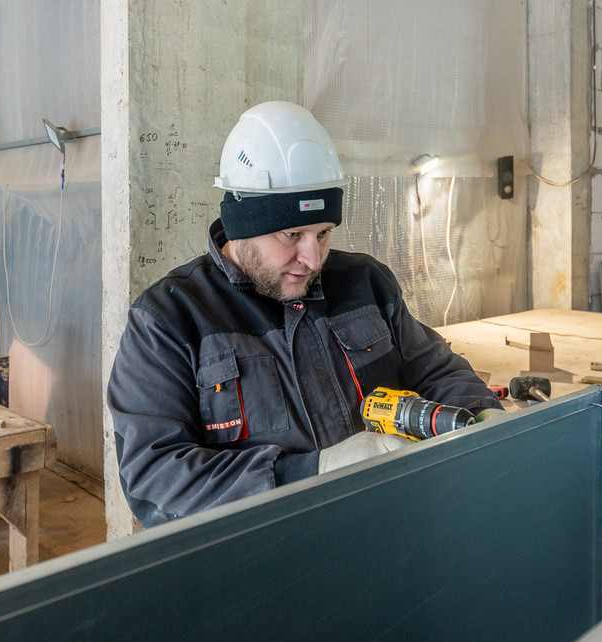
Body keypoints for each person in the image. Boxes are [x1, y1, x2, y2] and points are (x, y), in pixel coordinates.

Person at [107, 101, 504, 527]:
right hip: (265, 549)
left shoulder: (365, 283)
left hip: (384, 524)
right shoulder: (168, 319)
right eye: (292, 233)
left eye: (323, 233)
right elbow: (155, 475)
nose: (313, 259)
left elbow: (435, 369)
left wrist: (483, 415)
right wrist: (314, 472)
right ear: (243, 227)